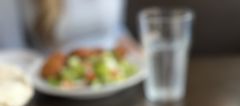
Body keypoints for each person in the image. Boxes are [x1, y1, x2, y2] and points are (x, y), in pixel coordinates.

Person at [0, 0, 139, 54]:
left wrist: (138, 52)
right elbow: (11, 54)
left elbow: (116, 28)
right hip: (51, 94)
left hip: (116, 77)